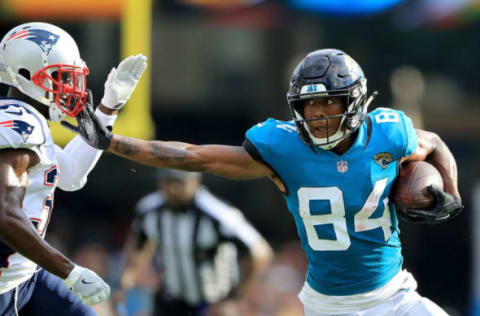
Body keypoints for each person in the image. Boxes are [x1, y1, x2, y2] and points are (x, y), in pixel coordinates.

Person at [66, 48, 463, 315]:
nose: (318, 114)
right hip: (329, 306)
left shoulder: (390, 133)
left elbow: (435, 143)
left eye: (329, 101)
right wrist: (111, 141)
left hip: (395, 296)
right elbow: (193, 156)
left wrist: (451, 192)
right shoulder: (283, 148)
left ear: (354, 101)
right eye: (309, 104)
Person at [0, 22, 146, 315]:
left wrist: (109, 107)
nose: (70, 87)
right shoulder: (20, 123)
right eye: (62, 77)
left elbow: (69, 176)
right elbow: (3, 212)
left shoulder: (29, 120)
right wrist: (69, 271)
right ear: (28, 76)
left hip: (26, 273)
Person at [115, 169, 273, 316]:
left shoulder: (217, 213)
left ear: (196, 182)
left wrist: (233, 298)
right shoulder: (150, 210)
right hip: (171, 301)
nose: (173, 189)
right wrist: (124, 283)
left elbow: (260, 253)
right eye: (168, 182)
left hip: (212, 305)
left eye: (180, 183)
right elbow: (138, 248)